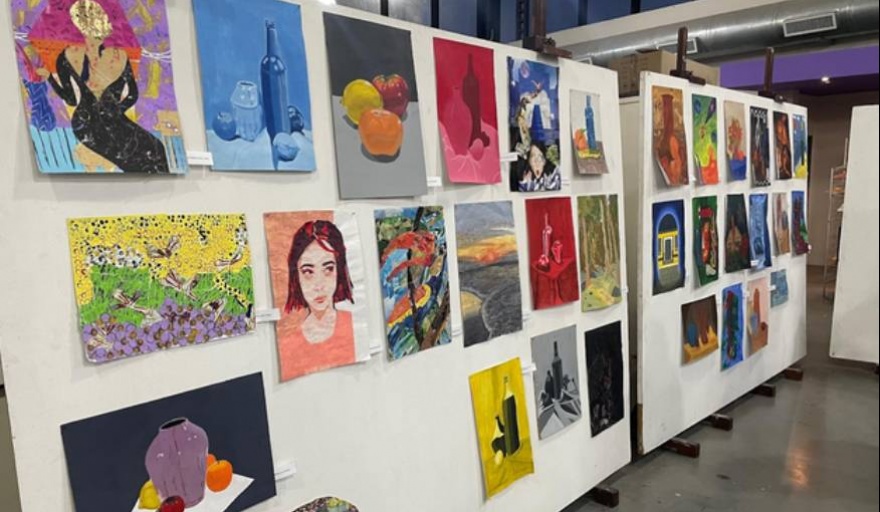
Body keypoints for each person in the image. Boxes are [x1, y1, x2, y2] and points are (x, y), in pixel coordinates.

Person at [36, 0, 169, 173]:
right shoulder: (116, 55)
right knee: (151, 154)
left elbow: (71, 99)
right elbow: (132, 95)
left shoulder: (69, 55)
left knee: (151, 153)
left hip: (92, 123)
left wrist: (50, 78)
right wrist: (113, 109)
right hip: (95, 124)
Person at [285, 220, 354, 345]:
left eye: (328, 269)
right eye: (308, 272)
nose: (319, 286)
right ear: (296, 276)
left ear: (339, 270)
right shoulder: (290, 343)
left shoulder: (355, 326)